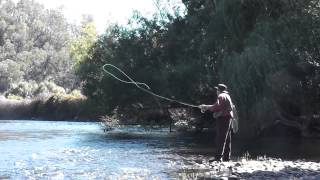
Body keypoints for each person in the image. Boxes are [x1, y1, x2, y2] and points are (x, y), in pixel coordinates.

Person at [199, 84, 234, 162]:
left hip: (223, 119)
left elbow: (216, 107)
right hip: (228, 118)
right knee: (227, 139)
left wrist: (205, 107)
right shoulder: (226, 96)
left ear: (219, 90)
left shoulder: (221, 96)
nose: (216, 92)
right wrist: (205, 106)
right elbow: (218, 106)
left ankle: (218, 158)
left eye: (217, 90)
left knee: (220, 138)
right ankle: (226, 158)